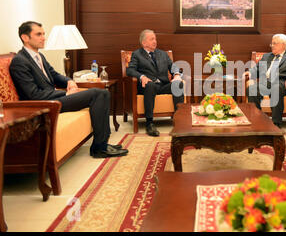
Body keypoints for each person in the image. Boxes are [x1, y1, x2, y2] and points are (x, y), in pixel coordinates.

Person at [9, 21, 128, 158]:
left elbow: (54, 75)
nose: (43, 37)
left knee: (103, 93)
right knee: (97, 93)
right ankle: (99, 148)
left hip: (54, 98)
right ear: (25, 37)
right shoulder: (20, 61)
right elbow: (33, 94)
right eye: (38, 34)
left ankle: (102, 144)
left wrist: (69, 81)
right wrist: (65, 93)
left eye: (43, 34)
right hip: (45, 104)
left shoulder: (39, 56)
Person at [126, 29, 184, 136]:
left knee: (178, 84)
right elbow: (130, 70)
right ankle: (149, 123)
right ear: (144, 42)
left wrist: (176, 74)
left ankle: (179, 120)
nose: (155, 41)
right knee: (150, 84)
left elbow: (173, 66)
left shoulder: (163, 54)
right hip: (148, 87)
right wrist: (141, 76)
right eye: (152, 39)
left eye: (155, 39)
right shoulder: (137, 54)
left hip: (163, 85)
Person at [245, 34, 286, 128]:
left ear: (283, 45)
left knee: (275, 89)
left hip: (281, 83)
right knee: (252, 89)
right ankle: (257, 120)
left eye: (274, 43)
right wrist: (250, 72)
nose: (271, 45)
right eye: (272, 43)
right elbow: (257, 69)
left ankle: (276, 124)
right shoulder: (266, 56)